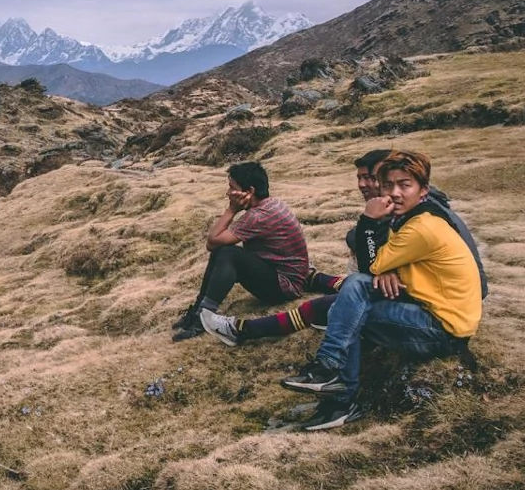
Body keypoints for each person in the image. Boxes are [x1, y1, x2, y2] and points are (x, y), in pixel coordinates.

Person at [280, 151, 483, 430]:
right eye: (388, 185)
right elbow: (374, 268)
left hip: (443, 329)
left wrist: (368, 220)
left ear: (423, 190)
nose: (395, 193)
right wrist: (383, 267)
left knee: (353, 309)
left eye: (405, 185)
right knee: (355, 288)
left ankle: (337, 389)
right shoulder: (416, 216)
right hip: (430, 308)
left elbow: (370, 263)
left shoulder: (422, 227)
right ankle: (330, 374)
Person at [201, 150, 489, 346]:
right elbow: (363, 240)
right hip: (436, 294)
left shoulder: (420, 217)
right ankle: (314, 286)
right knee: (351, 286)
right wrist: (386, 264)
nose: (365, 185)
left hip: (437, 306)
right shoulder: (414, 208)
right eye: (361, 178)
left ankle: (241, 330)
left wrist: (384, 266)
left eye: (372, 179)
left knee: (329, 304)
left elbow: (377, 253)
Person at [172, 162, 310, 341]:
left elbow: (212, 242)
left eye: (232, 188)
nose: (228, 193)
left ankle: (202, 319)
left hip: (285, 287)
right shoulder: (270, 204)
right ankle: (198, 310)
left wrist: (231, 209)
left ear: (249, 191)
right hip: (283, 275)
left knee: (227, 254)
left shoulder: (258, 217)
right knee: (223, 253)